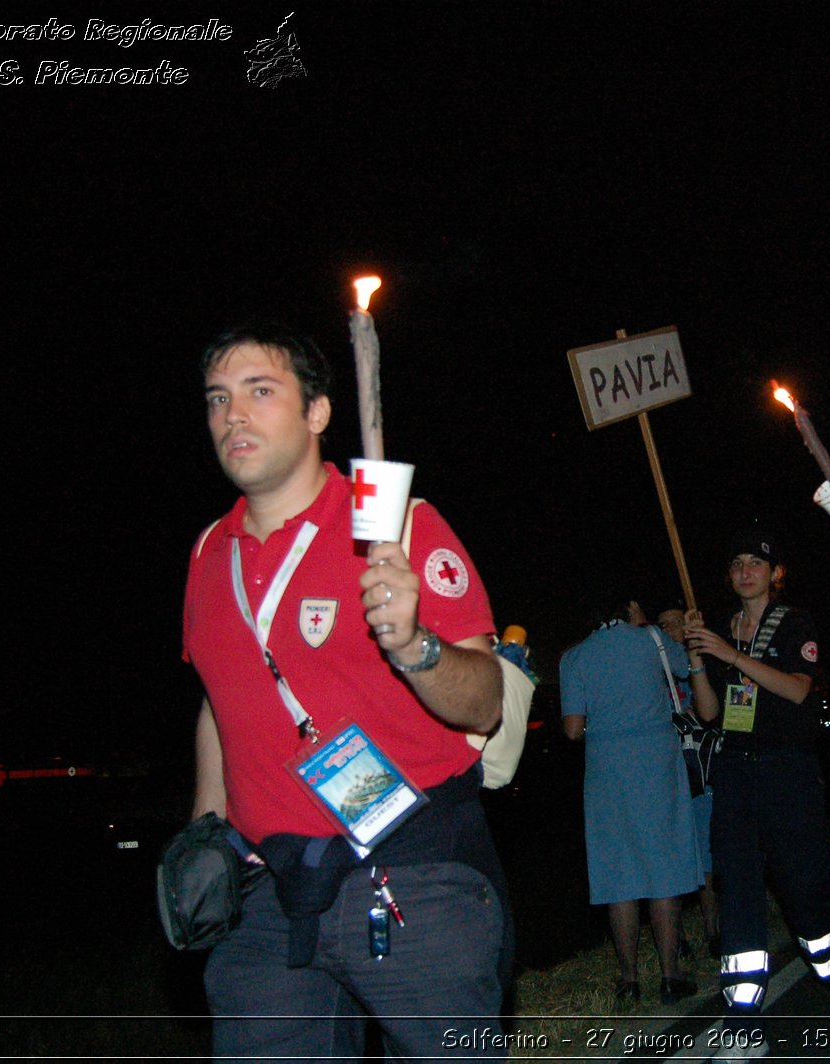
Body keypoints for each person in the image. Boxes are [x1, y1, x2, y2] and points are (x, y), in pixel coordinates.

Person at [183, 323, 510, 1059]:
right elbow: (219, 703)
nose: (233, 415)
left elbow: (486, 701)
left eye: (260, 392)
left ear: (319, 413)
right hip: (268, 898)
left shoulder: (398, 524)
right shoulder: (209, 553)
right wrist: (205, 837)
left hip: (413, 879)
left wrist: (416, 646)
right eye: (217, 399)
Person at [684, 530, 830, 1054]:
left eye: (755, 562)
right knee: (736, 886)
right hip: (735, 772)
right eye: (736, 562)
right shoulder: (721, 628)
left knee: (804, 890)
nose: (744, 571)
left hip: (789, 772)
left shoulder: (794, 623)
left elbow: (797, 688)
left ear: (773, 572)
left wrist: (730, 656)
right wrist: (697, 656)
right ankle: (744, 1021)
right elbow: (711, 712)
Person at [560, 597, 702, 1005]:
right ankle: (671, 976)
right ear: (629, 609)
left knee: (617, 873)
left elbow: (572, 730)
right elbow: (685, 669)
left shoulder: (574, 657)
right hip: (657, 759)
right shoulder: (651, 638)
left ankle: (629, 980)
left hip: (607, 769)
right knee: (664, 866)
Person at [658, 604, 722, 956]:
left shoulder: (702, 662)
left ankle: (715, 932)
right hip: (668, 775)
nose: (670, 629)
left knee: (708, 858)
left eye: (676, 623)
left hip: (703, 770)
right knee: (674, 858)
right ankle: (677, 937)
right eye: (663, 624)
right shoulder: (652, 667)